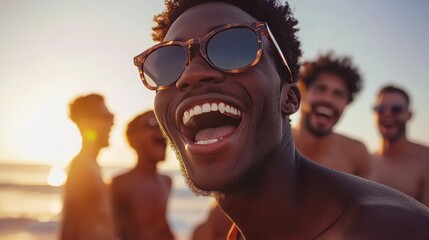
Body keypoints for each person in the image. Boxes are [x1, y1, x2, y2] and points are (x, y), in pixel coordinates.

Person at [133, 0, 429, 239]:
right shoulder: (241, 230)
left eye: (234, 46)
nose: (190, 75)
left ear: (289, 98)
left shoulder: (384, 228)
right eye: (167, 62)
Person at [293, 52, 370, 178]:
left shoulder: (357, 154)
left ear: (346, 103)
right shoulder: (273, 142)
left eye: (338, 94)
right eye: (321, 89)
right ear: (303, 93)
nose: (328, 99)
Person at [60, 93, 116, 240]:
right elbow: (69, 227)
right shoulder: (82, 168)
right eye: (106, 117)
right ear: (87, 123)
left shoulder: (91, 166)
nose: (112, 123)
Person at [110, 110, 174, 240]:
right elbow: (112, 231)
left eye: (162, 125)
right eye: (152, 124)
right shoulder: (120, 184)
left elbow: (162, 226)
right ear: (133, 138)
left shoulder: (167, 181)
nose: (161, 130)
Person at [370, 85, 429, 207]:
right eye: (380, 109)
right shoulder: (367, 161)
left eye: (396, 109)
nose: (387, 114)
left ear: (409, 115)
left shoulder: (425, 159)